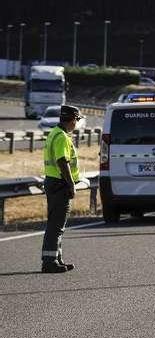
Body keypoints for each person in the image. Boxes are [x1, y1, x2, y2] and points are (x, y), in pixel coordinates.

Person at [41, 105, 84, 273]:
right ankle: (49, 262)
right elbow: (62, 161)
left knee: (56, 224)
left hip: (53, 182)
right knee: (56, 225)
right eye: (77, 120)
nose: (77, 124)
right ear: (72, 120)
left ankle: (56, 259)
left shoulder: (54, 133)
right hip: (60, 184)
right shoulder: (62, 137)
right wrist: (71, 184)